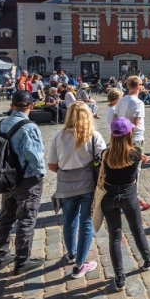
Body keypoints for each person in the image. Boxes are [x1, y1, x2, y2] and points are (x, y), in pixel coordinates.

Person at [100, 117, 150, 290]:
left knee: (115, 236)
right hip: (128, 195)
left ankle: (119, 277)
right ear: (129, 133)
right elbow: (134, 157)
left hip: (109, 196)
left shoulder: (105, 154)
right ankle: (147, 259)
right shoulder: (135, 152)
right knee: (137, 229)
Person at [48, 102, 107, 279]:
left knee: (69, 220)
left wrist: (67, 170)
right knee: (86, 222)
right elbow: (104, 161)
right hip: (88, 184)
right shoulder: (93, 136)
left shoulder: (59, 136)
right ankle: (81, 264)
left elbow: (52, 165)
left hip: (66, 184)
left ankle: (71, 254)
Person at [0, 90, 47, 274]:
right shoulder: (29, 127)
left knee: (6, 217)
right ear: (31, 106)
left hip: (7, 176)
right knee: (26, 218)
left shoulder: (2, 123)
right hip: (26, 178)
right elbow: (34, 156)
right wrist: (41, 174)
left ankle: (2, 255)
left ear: (12, 106)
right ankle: (22, 260)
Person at [115, 77, 150, 211]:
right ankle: (133, 200)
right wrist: (128, 141)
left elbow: (116, 119)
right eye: (142, 84)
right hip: (134, 139)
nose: (143, 87)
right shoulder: (138, 103)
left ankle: (126, 197)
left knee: (123, 169)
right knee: (135, 171)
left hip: (121, 137)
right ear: (137, 86)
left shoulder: (121, 101)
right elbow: (134, 124)